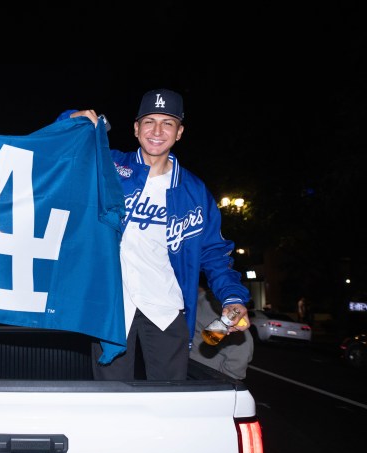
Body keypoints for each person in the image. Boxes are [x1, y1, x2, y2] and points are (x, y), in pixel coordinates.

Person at [60, 88, 250, 380]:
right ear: (136, 128)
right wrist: (73, 119)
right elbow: (62, 149)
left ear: (179, 132)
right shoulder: (108, 165)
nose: (157, 130)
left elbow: (214, 253)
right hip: (112, 305)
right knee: (111, 402)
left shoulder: (195, 192)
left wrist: (232, 297)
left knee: (170, 399)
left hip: (165, 305)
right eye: (149, 121)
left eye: (168, 123)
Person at [190, 286, 253, 380]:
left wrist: (220, 383)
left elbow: (240, 353)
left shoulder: (224, 308)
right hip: (197, 378)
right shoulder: (192, 304)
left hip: (199, 379)